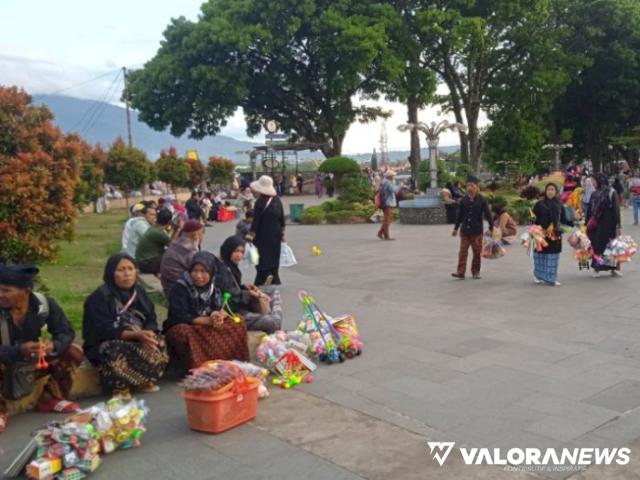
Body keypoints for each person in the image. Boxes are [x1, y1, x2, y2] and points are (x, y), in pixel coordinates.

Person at [0, 265, 82, 431]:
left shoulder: (44, 305)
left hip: (35, 363)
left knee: (73, 352)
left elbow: (66, 332)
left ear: (26, 291)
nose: (0, 295)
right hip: (5, 364)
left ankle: (51, 398)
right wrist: (19, 350)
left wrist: (53, 346)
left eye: (6, 290)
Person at [82, 254, 168, 395]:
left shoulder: (139, 292)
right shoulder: (99, 297)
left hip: (137, 335)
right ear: (111, 273)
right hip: (106, 342)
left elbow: (151, 318)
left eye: (130, 268)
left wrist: (148, 333)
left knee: (159, 341)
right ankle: (120, 387)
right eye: (121, 270)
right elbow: (104, 329)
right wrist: (136, 334)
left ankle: (144, 380)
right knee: (114, 349)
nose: (127, 274)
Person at [164, 251, 249, 370]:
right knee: (183, 332)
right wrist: (208, 321)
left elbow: (221, 306)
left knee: (238, 322)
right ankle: (199, 367)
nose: (198, 276)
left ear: (211, 272)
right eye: (195, 271)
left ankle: (230, 364)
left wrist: (218, 315)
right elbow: (179, 316)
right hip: (189, 325)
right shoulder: (180, 288)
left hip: (208, 324)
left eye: (203, 271)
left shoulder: (213, 287)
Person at [217, 236, 283, 333]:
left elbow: (232, 287)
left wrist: (243, 287)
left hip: (238, 306)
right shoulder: (222, 269)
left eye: (241, 252)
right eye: (236, 251)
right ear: (228, 250)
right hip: (232, 313)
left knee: (273, 291)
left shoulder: (230, 267)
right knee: (273, 322)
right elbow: (228, 294)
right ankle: (269, 343)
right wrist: (249, 294)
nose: (239, 255)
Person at [452, 176, 493, 280]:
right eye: (468, 186)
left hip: (476, 231)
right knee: (462, 252)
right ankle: (460, 272)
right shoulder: (463, 200)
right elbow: (459, 215)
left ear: (477, 187)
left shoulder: (482, 200)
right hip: (465, 230)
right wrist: (456, 228)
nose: (469, 188)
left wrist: (491, 227)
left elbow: (488, 214)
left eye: (472, 185)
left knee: (476, 253)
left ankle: (475, 272)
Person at [531, 183, 573, 286]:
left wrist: (572, 222)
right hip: (541, 235)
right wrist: (534, 225)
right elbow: (533, 217)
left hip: (555, 234)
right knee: (540, 256)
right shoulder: (539, 204)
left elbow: (563, 219)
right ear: (545, 191)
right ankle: (538, 275)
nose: (550, 192)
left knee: (553, 257)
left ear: (556, 192)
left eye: (552, 190)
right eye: (548, 189)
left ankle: (551, 278)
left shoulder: (559, 204)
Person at [247, 175, 285, 286]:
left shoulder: (260, 202)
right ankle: (274, 277)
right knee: (274, 255)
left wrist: (249, 237)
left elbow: (256, 222)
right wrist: (282, 234)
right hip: (276, 234)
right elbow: (282, 219)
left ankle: (262, 277)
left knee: (260, 257)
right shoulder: (277, 200)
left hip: (262, 235)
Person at [587, 174, 622, 277]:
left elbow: (616, 210)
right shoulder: (594, 193)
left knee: (611, 246)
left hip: (609, 225)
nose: (593, 183)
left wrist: (618, 225)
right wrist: (586, 223)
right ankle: (597, 268)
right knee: (597, 246)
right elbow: (589, 210)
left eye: (594, 181)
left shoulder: (611, 192)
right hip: (596, 225)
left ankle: (613, 269)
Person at [160, 220, 204, 297]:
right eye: (202, 233)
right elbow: (198, 269)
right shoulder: (189, 249)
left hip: (168, 286)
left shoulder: (178, 242)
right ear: (196, 235)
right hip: (178, 290)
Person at [135, 208, 173, 275]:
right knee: (174, 258)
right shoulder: (158, 233)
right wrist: (178, 230)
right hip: (147, 265)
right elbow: (174, 247)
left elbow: (170, 242)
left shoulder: (153, 227)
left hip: (142, 263)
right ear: (169, 222)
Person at [377, 170, 399, 240]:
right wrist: (401, 186)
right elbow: (395, 190)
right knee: (387, 220)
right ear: (390, 176)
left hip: (385, 202)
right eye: (393, 176)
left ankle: (380, 233)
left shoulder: (383, 182)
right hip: (388, 202)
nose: (394, 177)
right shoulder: (388, 183)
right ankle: (386, 236)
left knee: (387, 219)